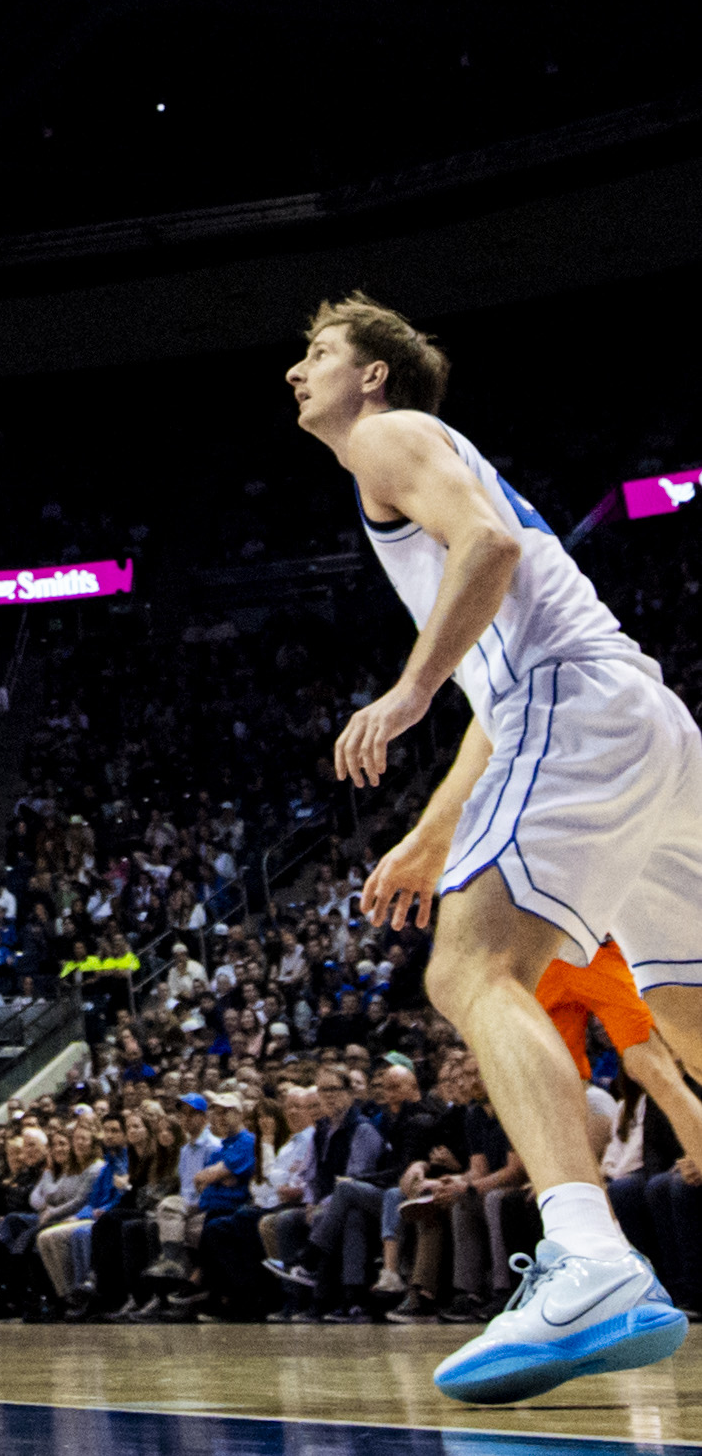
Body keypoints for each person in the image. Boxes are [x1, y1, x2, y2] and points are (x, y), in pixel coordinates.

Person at [290, 295, 696, 1401]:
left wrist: (406, 689)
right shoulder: (419, 467)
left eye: (317, 353)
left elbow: (493, 546)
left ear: (373, 376)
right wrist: (430, 835)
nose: (296, 371)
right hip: (644, 722)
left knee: (471, 969)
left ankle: (589, 1256)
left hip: (580, 705)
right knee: (694, 1014)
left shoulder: (388, 439)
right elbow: (500, 692)